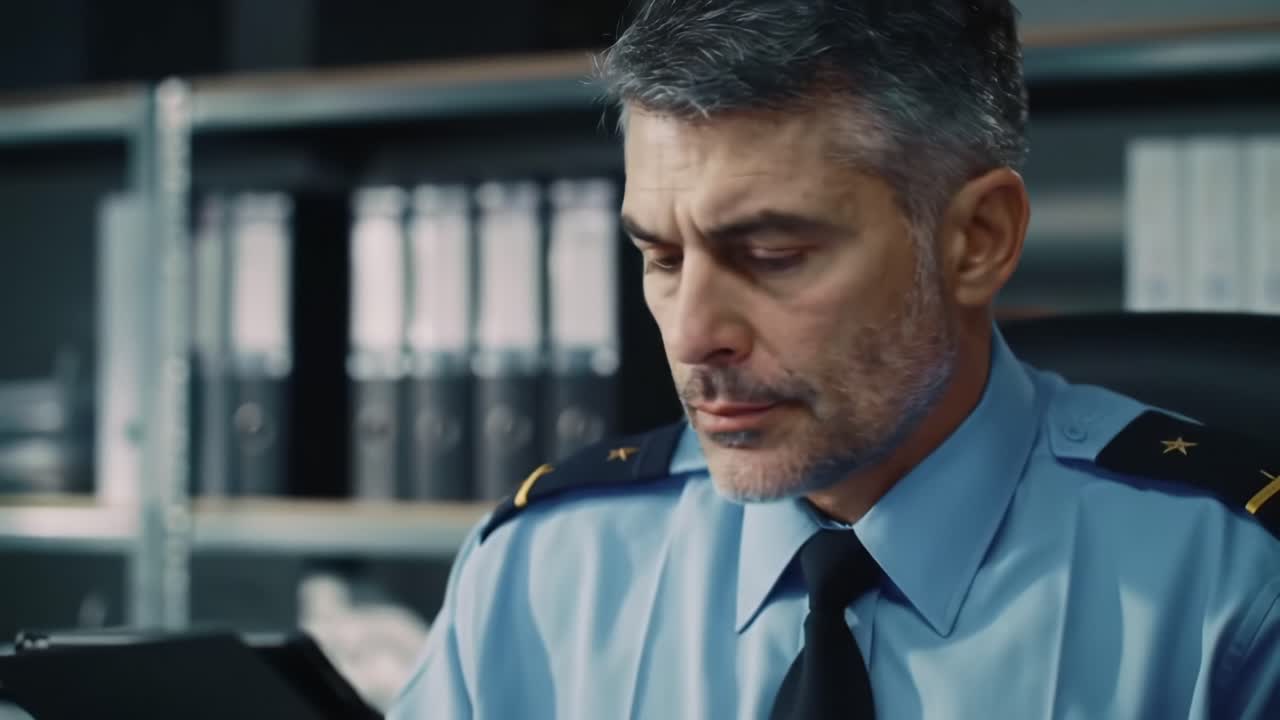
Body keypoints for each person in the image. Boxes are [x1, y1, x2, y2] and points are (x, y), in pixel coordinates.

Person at [389, 1, 1280, 717]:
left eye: (773, 255)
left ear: (978, 239)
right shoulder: (541, 572)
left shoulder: (1230, 592)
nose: (695, 334)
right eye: (662, 258)